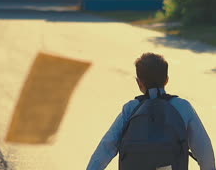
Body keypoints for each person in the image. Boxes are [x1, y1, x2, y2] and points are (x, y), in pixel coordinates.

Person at [87, 52, 215, 170]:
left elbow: (107, 146)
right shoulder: (182, 107)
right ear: (166, 80)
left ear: (139, 83)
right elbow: (204, 150)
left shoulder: (131, 109)